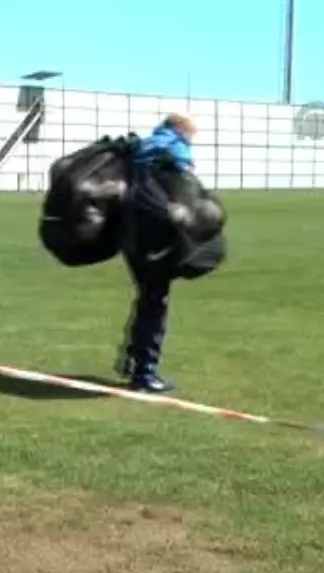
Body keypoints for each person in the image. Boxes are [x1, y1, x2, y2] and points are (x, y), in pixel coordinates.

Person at [117, 113, 198, 394]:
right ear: (181, 130)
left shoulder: (142, 145)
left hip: (128, 231)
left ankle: (132, 357)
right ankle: (144, 373)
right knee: (156, 300)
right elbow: (186, 186)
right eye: (191, 135)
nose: (191, 140)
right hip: (154, 233)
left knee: (147, 296)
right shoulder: (175, 146)